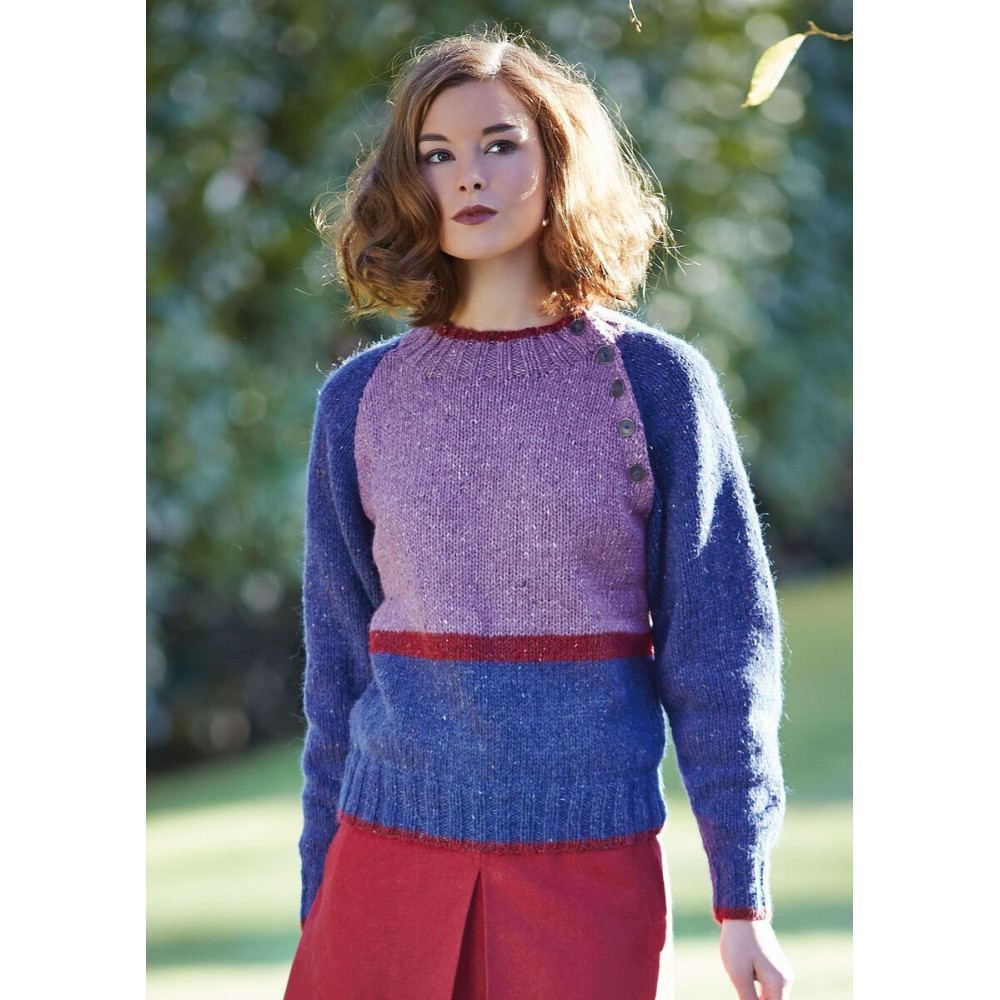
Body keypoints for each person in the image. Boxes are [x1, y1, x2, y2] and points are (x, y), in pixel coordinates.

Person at [284, 27, 793, 1000]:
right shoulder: (359, 401)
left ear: (559, 159)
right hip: (382, 868)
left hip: (585, 872)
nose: (467, 176)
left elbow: (720, 651)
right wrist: (322, 897)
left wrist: (744, 898)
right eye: (436, 154)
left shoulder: (655, 386)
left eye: (498, 144)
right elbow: (338, 670)